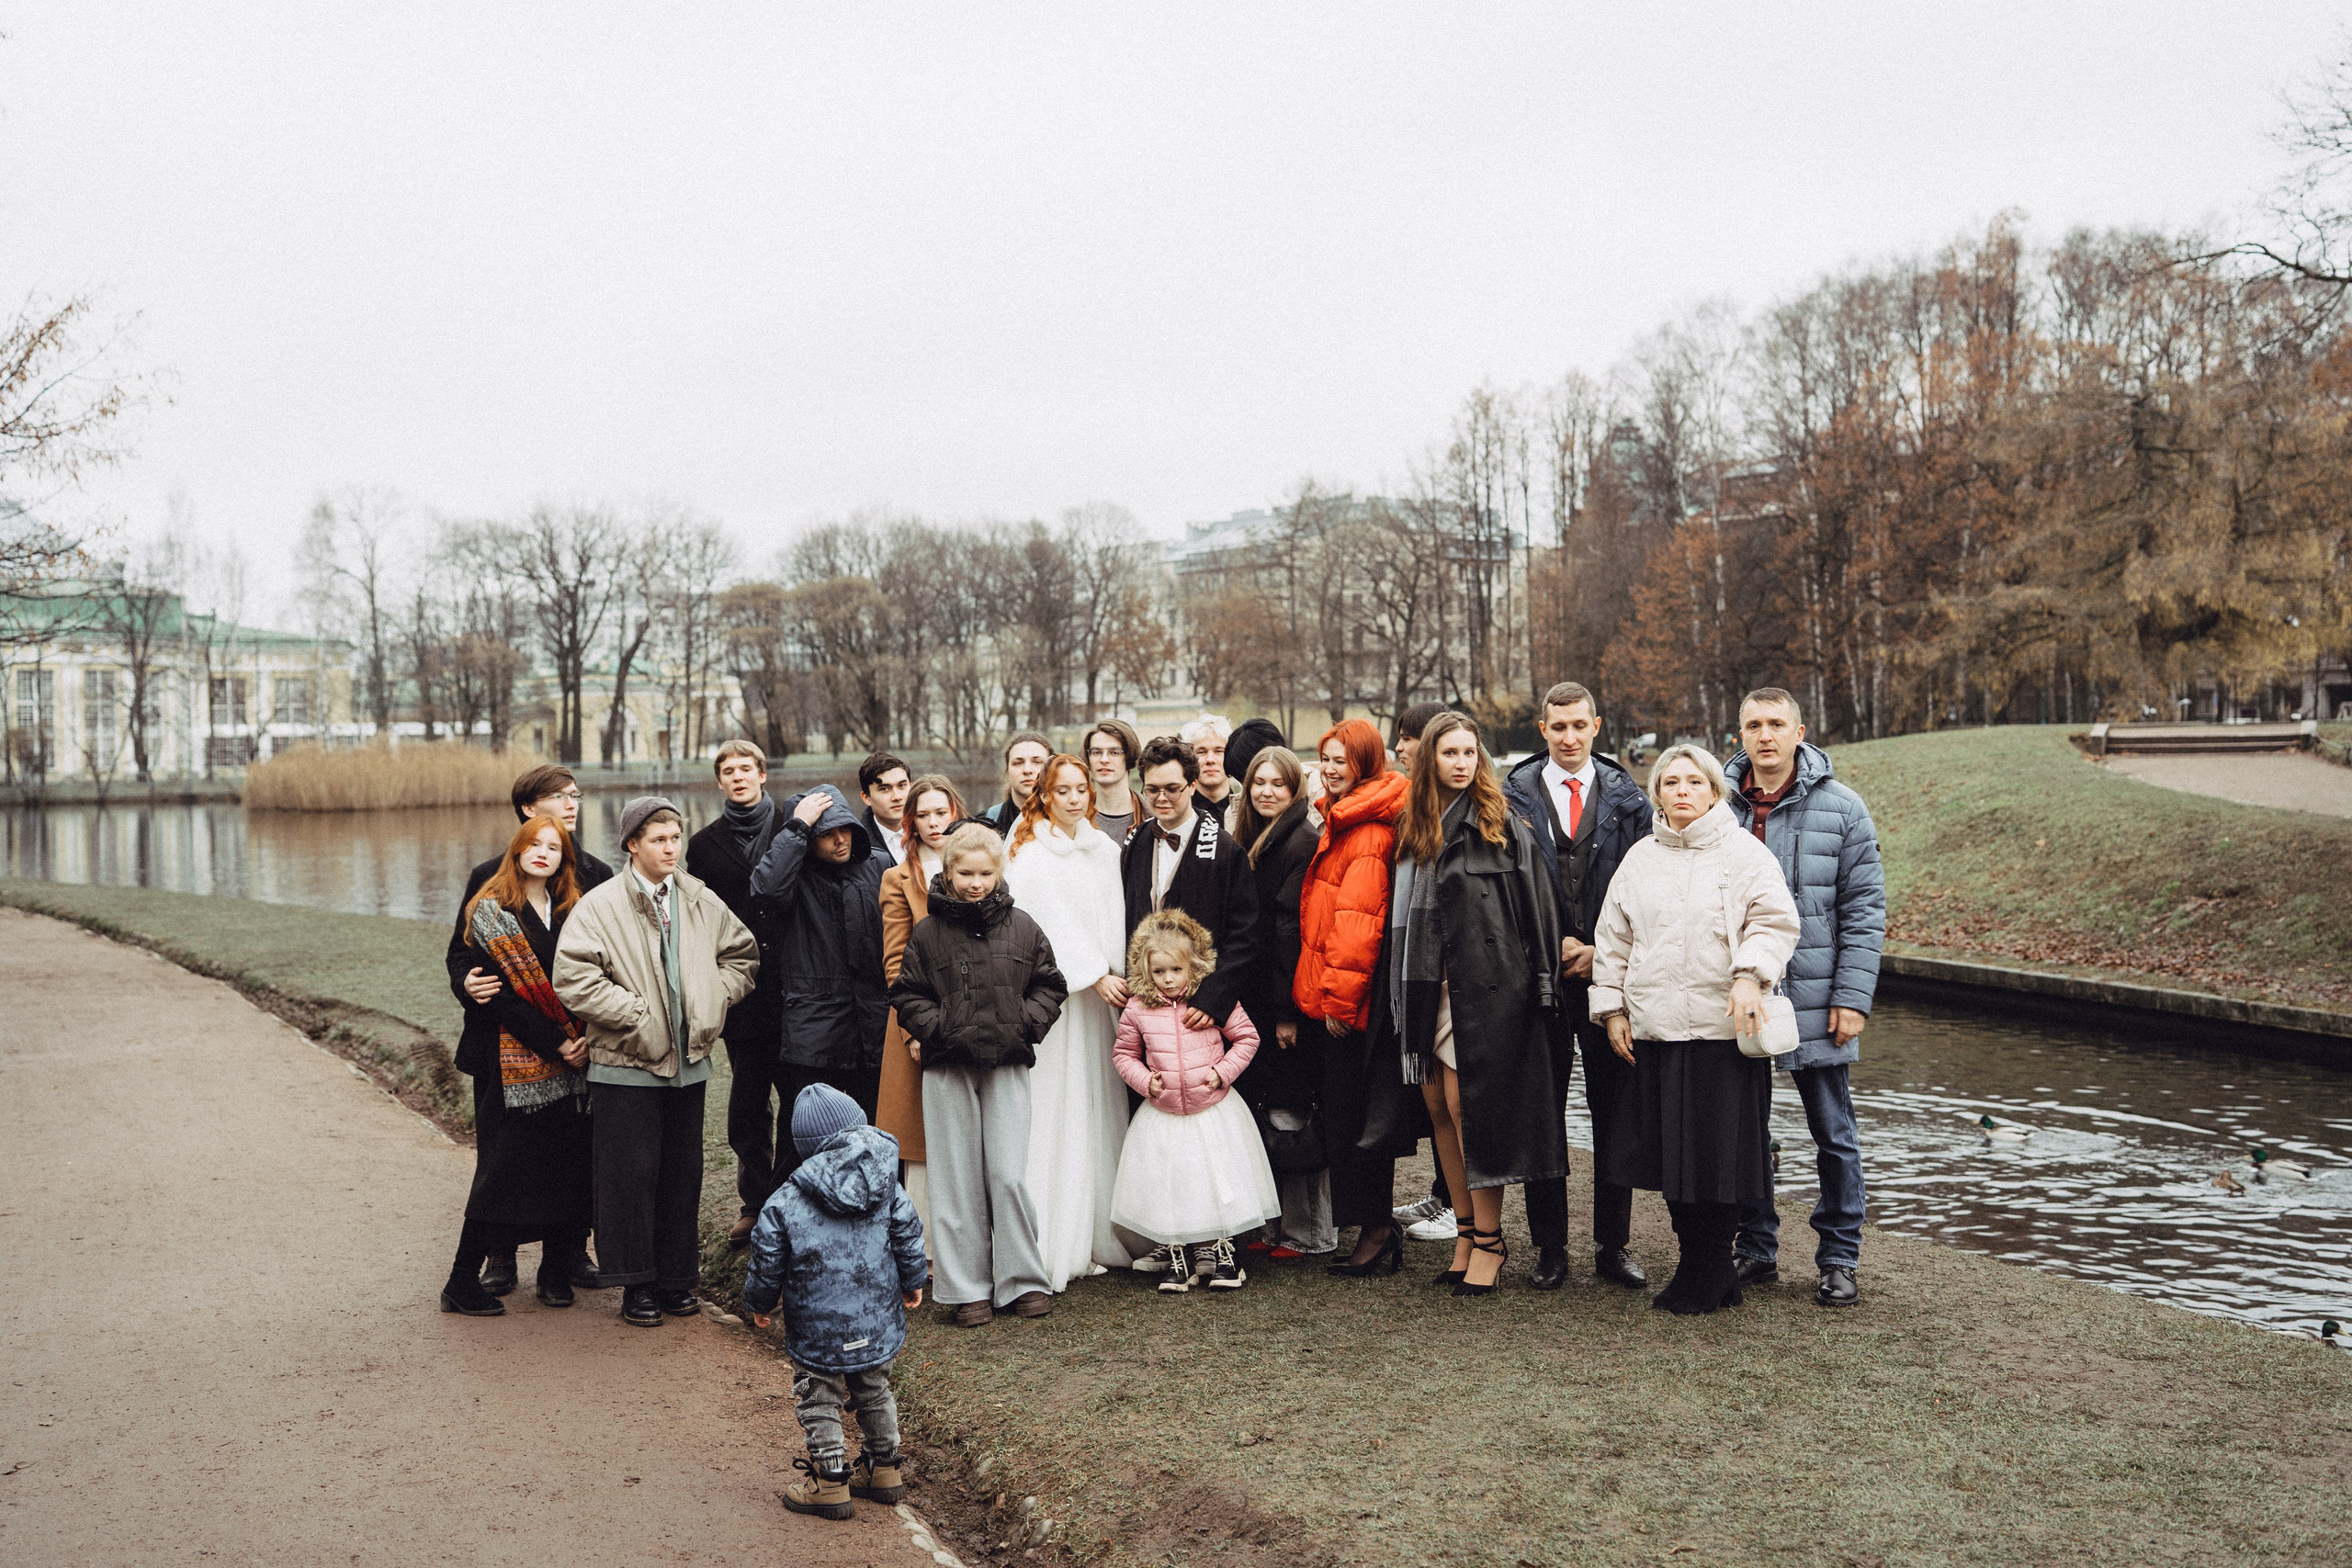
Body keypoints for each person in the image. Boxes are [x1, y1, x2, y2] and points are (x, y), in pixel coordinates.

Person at [1589, 746, 1800, 1315]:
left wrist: (1751, 976)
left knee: (1717, 1158)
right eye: (1670, 782)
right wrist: (1611, 1010)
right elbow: (1613, 942)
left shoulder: (1745, 854)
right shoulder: (1639, 859)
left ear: (1714, 791)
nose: (1682, 791)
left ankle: (1710, 1268)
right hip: (1658, 1032)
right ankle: (1698, 1265)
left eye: (1694, 782)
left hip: (1723, 1033)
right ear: (1657, 793)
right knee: (1672, 1158)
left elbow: (1775, 921)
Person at [554, 796, 760, 1327]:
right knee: (628, 1178)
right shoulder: (599, 905)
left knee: (681, 1174)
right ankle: (636, 1284)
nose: (672, 848)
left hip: (690, 1063)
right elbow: (574, 978)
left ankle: (676, 1280)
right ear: (632, 845)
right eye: (659, 840)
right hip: (625, 1065)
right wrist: (637, 1015)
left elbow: (742, 955)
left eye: (675, 838)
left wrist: (713, 999)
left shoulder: (697, 897)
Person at [1389, 713, 1564, 1295]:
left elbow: (1540, 911)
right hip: (1425, 990)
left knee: (1472, 1115)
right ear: (1429, 760)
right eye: (1449, 753)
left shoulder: (1501, 824)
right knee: (1439, 1110)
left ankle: (1490, 1240)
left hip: (1485, 990)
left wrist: (1543, 986)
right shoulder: (1413, 826)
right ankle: (1465, 1233)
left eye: (1470, 752)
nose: (1461, 763)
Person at [1724, 688, 1885, 1309]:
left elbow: (1865, 911)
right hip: (1743, 994)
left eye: (1777, 724)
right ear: (1740, 733)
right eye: (1754, 724)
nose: (1765, 735)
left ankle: (1839, 1256)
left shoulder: (1843, 808)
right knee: (1746, 1129)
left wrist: (1852, 998)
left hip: (1819, 996)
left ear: (1800, 730)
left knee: (1833, 1131)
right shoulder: (1720, 810)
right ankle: (1757, 1246)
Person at [1501, 682, 1654, 1292]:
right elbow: (1502, 890)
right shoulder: (1509, 796)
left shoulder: (1629, 800)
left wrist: (1601, 950)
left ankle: (1612, 1246)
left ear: (1596, 727)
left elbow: (1648, 887)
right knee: (1543, 1114)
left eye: (1578, 726)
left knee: (1615, 1112)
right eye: (1557, 727)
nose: (1568, 737)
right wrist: (1548, 946)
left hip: (1609, 978)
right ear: (1543, 729)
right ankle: (1550, 1247)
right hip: (1537, 978)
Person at [447, 762, 617, 1296]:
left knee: (572, 1150)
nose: (572, 804)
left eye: (576, 796)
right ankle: (500, 1257)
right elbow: (461, 954)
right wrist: (466, 984)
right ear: (527, 810)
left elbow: (610, 962)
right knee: (505, 1155)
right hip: (504, 1046)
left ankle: (566, 1255)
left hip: (579, 1043)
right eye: (558, 797)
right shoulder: (488, 878)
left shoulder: (595, 875)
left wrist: (585, 1033)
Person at [888, 822, 1062, 1325]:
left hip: (1006, 1064)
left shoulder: (1023, 926)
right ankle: (968, 1288)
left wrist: (1025, 1024)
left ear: (999, 872)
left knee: (1007, 1175)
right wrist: (936, 1028)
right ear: (948, 871)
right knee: (956, 1177)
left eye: (985, 873)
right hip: (948, 1067)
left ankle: (1022, 1281)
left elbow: (1050, 984)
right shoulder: (928, 932)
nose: (975, 882)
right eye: (965, 872)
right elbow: (907, 993)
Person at [742, 1085, 928, 1522]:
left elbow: (767, 1258)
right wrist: (913, 1280)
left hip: (816, 1325)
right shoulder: (886, 1182)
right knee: (874, 1389)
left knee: (818, 1395)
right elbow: (908, 1234)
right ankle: (884, 1469)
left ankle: (829, 1481)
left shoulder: (785, 1200)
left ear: (804, 1146)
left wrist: (760, 1302)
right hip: (877, 1318)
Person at [1001, 751, 1132, 1287]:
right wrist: (1091, 971)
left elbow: (1111, 914)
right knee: (1059, 1104)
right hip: (1060, 995)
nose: (1075, 799)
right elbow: (1042, 926)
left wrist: (1116, 971)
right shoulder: (1030, 853)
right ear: (1045, 796)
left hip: (1102, 999)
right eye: (1064, 791)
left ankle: (1104, 1226)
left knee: (1099, 1101)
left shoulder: (1103, 848)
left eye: (1082, 789)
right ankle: (1051, 1235)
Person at [1293, 718, 1414, 1277]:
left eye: (1342, 760)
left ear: (1365, 763)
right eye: (1326, 758)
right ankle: (1373, 1227)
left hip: (1349, 1007)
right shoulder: (1345, 817)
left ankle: (1377, 1230)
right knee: (1349, 1115)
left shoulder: (1366, 831)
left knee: (1357, 1118)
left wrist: (1338, 1005)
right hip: (1336, 997)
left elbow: (1358, 924)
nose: (1331, 768)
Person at [1110, 909, 1279, 1292]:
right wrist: (1144, 1081)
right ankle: (1177, 1253)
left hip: (1212, 1108)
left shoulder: (1212, 1000)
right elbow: (1123, 1054)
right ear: (1146, 971)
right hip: (1163, 1111)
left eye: (1176, 970)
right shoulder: (1138, 1008)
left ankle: (1224, 1252)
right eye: (1159, 972)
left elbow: (1248, 1038)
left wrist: (1223, 1072)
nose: (1168, 979)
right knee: (1170, 1180)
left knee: (1215, 1177)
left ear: (1192, 967)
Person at [750, 784, 891, 1190]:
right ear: (808, 839)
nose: (841, 839)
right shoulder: (792, 874)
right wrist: (795, 827)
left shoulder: (878, 865)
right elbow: (765, 889)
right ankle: (787, 1228)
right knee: (803, 1138)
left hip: (873, 1024)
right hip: (815, 1027)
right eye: (827, 833)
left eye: (844, 829)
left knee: (875, 1132)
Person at [684, 739, 789, 1249]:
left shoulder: (793, 825)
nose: (739, 777)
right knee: (749, 1094)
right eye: (728, 771)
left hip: (795, 983)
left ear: (763, 775)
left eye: (747, 768)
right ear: (720, 782)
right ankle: (754, 1200)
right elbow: (699, 921)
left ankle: (793, 1196)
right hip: (742, 990)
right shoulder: (704, 845)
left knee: (797, 1091)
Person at [1228, 744, 1330, 1258]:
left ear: (1295, 790)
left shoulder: (1301, 840)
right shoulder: (1252, 837)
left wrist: (1289, 1012)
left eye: (1278, 784)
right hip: (1256, 997)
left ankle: (1309, 1231)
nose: (1267, 792)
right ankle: (1270, 1226)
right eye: (1259, 783)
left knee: (1293, 1113)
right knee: (1265, 1110)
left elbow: (1292, 930)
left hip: (1284, 999)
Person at [1113, 736, 1263, 1036]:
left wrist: (1213, 1000)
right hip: (1146, 1003)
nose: (1162, 798)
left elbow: (1244, 936)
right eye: (1152, 790)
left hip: (1200, 1005)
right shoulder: (1135, 843)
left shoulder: (1225, 850)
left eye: (1172, 789)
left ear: (1192, 785)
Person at [875, 773, 967, 1250]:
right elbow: (895, 961)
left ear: (956, 811)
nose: (934, 823)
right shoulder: (898, 877)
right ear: (910, 821)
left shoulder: (977, 861)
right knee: (923, 1138)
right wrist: (913, 1027)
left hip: (976, 1011)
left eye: (941, 812)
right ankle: (925, 1246)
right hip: (921, 1013)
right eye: (924, 814)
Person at [1382, 698, 1458, 1246]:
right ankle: (1449, 1200)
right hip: (1417, 979)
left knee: (1458, 1104)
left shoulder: (1478, 819)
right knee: (1436, 1104)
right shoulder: (1410, 815)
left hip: (1455, 980)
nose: (1400, 748)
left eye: (1406, 739)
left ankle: (1469, 1219)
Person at [1081, 718, 1144, 844]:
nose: (1104, 759)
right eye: (1097, 752)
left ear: (1129, 756)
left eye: (1114, 752)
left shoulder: (1151, 816)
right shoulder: (1076, 816)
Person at [985, 731, 1054, 833]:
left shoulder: (1069, 819)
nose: (1027, 770)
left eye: (1037, 762)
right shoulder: (987, 823)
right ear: (1007, 771)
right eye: (1018, 763)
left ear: (1052, 770)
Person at [855, 751, 913, 866]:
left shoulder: (934, 831)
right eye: (884, 789)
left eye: (902, 786)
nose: (897, 797)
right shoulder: (857, 848)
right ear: (866, 798)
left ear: (912, 787)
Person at [1180, 713, 1234, 812]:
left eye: (1218, 751)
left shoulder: (1248, 812)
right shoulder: (1179, 813)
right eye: (1201, 752)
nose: (1210, 760)